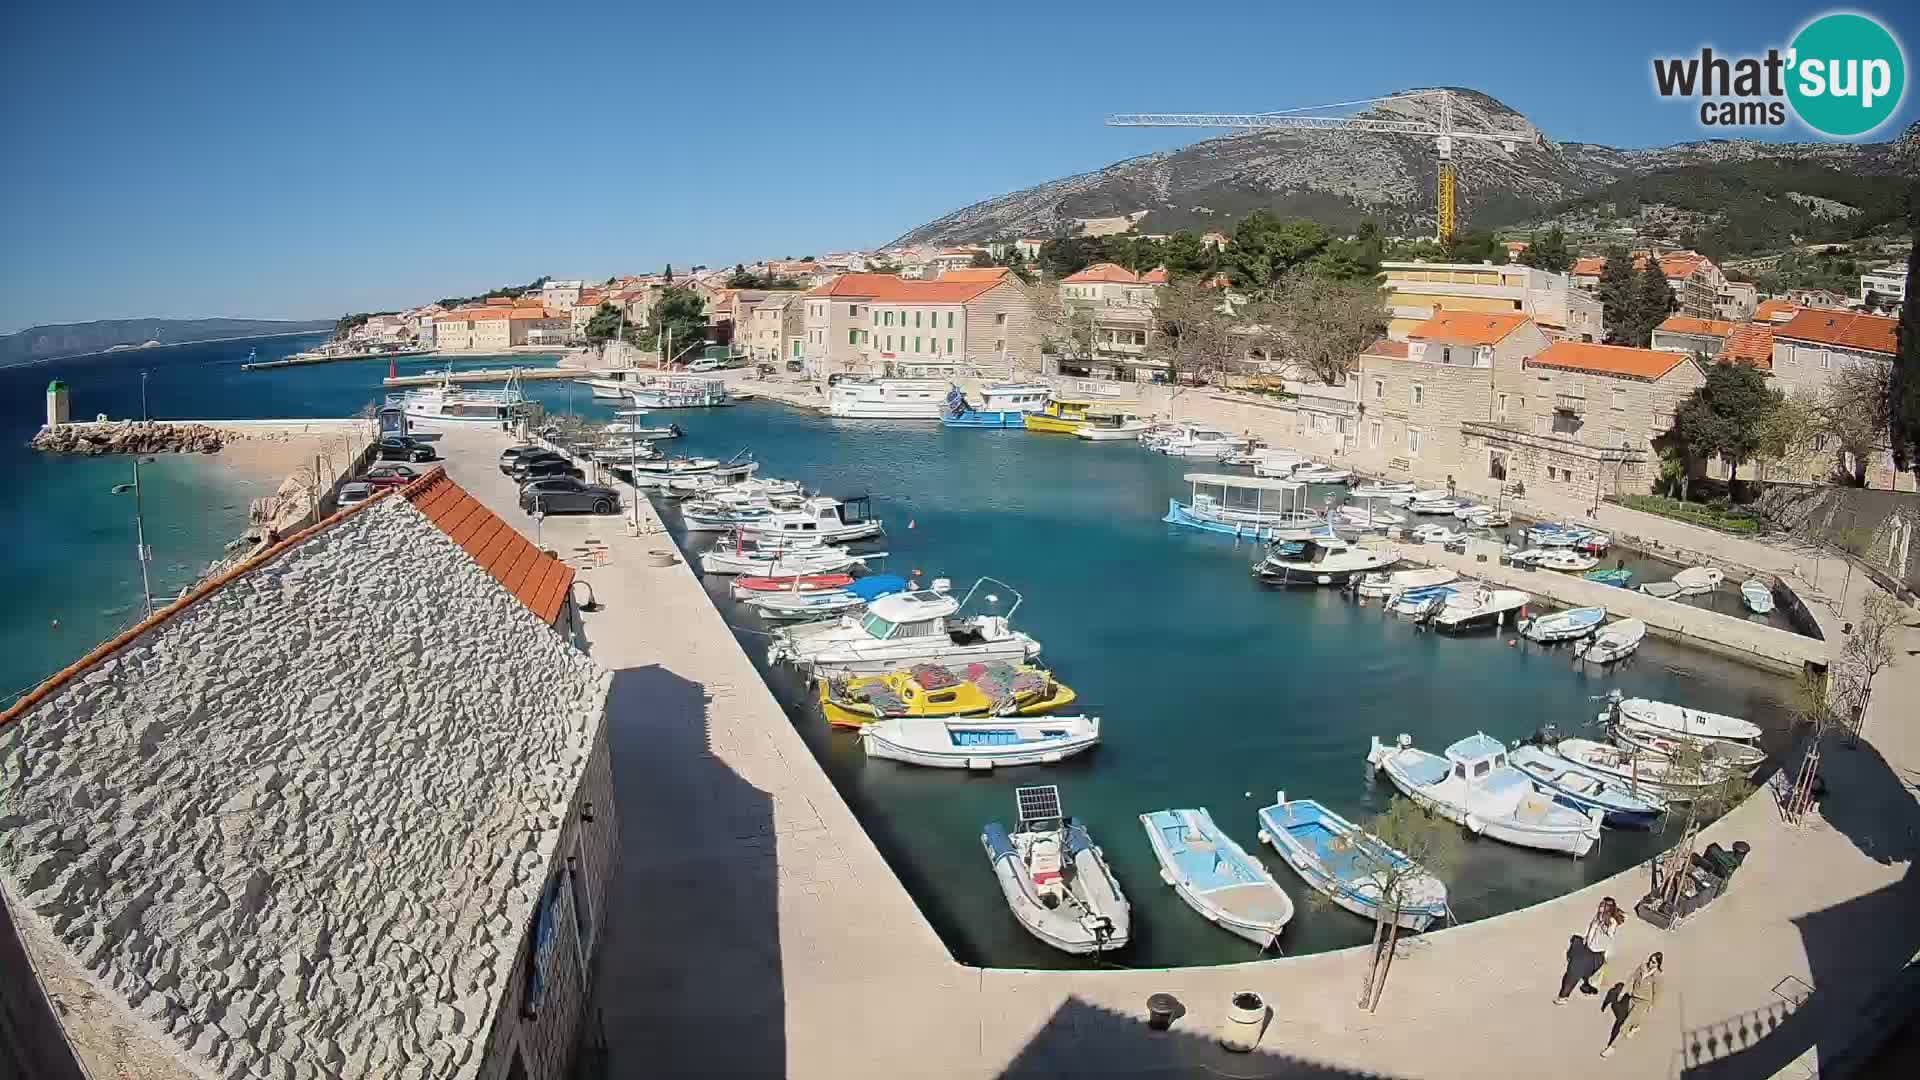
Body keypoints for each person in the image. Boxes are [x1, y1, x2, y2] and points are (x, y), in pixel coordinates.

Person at [1556, 897, 1626, 1004]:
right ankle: (1580, 991)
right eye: (1601, 905)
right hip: (1588, 948)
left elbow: (1609, 937)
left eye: (1602, 906)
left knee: (1575, 972)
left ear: (1607, 908)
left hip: (1596, 952)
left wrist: (1604, 927)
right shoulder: (1599, 916)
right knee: (1585, 973)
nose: (1600, 906)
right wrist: (1587, 939)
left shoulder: (1611, 922)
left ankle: (1563, 997)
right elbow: (1591, 929)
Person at [1600, 952, 1663, 1058]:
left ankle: (1611, 1047)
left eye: (1653, 962)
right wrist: (1622, 992)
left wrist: (1652, 1005)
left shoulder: (1657, 976)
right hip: (1633, 998)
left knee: (1624, 1025)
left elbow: (1657, 993)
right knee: (1631, 1018)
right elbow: (1631, 979)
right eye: (1650, 960)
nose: (1650, 963)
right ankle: (1635, 1026)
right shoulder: (1642, 967)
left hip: (1643, 1002)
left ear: (1658, 964)